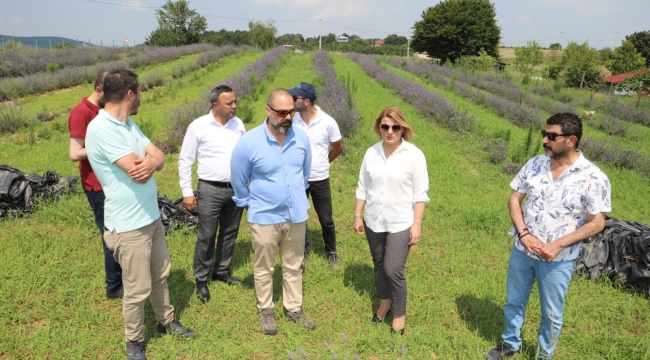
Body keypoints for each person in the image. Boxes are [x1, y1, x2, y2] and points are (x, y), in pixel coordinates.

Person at [85, 69, 195, 360]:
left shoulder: (128, 124)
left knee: (161, 273)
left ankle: (166, 322)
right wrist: (152, 161)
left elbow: (158, 155)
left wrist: (155, 160)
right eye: (140, 92)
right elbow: (140, 173)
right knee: (137, 287)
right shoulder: (102, 128)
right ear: (130, 94)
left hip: (150, 216)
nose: (140, 97)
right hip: (127, 224)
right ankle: (134, 342)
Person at [485, 113, 611, 360]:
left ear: (571, 140)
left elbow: (596, 223)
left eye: (552, 136)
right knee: (513, 300)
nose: (544, 139)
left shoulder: (593, 177)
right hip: (523, 251)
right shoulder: (535, 164)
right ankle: (509, 343)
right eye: (545, 133)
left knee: (552, 313)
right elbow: (514, 198)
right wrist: (523, 234)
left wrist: (557, 245)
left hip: (558, 259)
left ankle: (544, 355)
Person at [230, 88, 315, 336]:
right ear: (268, 111)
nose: (287, 117)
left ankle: (294, 307)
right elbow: (238, 178)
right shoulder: (249, 142)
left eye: (291, 112)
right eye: (281, 112)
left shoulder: (301, 139)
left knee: (293, 264)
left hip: (296, 214)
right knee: (264, 266)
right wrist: (252, 203)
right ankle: (266, 309)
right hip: (264, 217)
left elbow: (305, 173)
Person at [353, 106, 429, 335]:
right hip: (373, 219)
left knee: (392, 268)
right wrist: (357, 215)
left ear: (403, 128)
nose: (390, 131)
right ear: (379, 127)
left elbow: (420, 194)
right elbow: (362, 187)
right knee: (378, 264)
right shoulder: (371, 153)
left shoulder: (414, 155)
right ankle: (384, 302)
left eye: (396, 127)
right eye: (385, 126)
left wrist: (417, 225)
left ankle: (399, 314)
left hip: (400, 222)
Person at [178, 85, 246, 304]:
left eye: (235, 102)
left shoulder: (239, 125)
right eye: (229, 103)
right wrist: (187, 192)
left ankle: (222, 271)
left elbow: (245, 156)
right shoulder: (198, 126)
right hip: (210, 188)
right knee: (206, 235)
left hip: (235, 188)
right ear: (215, 105)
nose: (234, 106)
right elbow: (185, 160)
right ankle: (201, 279)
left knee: (229, 232)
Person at [68, 71, 124, 301]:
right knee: (109, 234)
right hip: (97, 185)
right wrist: (107, 148)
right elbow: (74, 153)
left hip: (112, 181)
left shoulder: (103, 110)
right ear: (99, 91)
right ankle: (114, 286)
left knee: (120, 232)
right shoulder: (82, 112)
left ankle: (121, 279)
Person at [288, 82, 343, 269]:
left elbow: (338, 147)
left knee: (326, 218)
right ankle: (303, 250)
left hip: (319, 178)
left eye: (296, 98)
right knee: (299, 216)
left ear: (307, 101)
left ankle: (332, 252)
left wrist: (323, 162)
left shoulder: (328, 122)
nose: (292, 100)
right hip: (297, 178)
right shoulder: (292, 120)